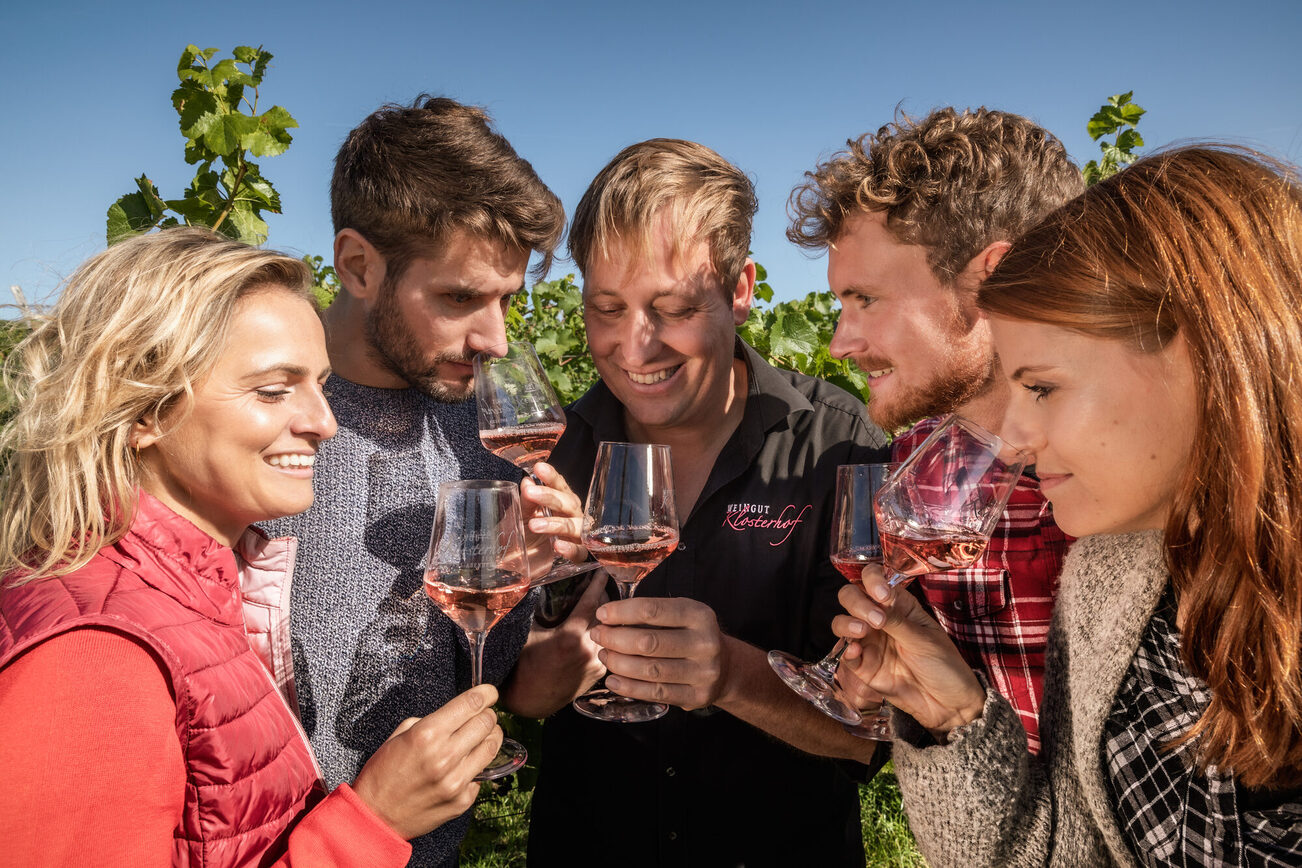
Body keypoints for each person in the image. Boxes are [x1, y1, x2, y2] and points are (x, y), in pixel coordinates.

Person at [833, 145, 1302, 866]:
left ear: (1208, 355)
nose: (1012, 442)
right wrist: (955, 715)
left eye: (1044, 388)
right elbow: (1071, 850)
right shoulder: (1108, 582)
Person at [0, 228, 508, 866]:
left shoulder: (202, 588)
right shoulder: (93, 657)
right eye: (273, 390)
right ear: (142, 412)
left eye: (320, 384)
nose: (324, 421)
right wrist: (372, 821)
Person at [516, 138, 890, 868]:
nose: (635, 346)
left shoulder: (837, 446)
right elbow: (529, 697)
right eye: (605, 309)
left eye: (675, 307)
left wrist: (730, 675)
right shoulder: (555, 452)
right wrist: (573, 584)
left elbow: (865, 731)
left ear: (741, 289)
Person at [256, 96, 585, 868]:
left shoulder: (485, 426)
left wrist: (524, 581)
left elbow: (485, 669)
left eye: (508, 299)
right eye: (460, 298)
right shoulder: (259, 420)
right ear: (359, 265)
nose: (496, 339)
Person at [786, 107, 1084, 752]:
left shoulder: (1143, 483)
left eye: (865, 298)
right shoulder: (916, 463)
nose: (839, 343)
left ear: (992, 279)